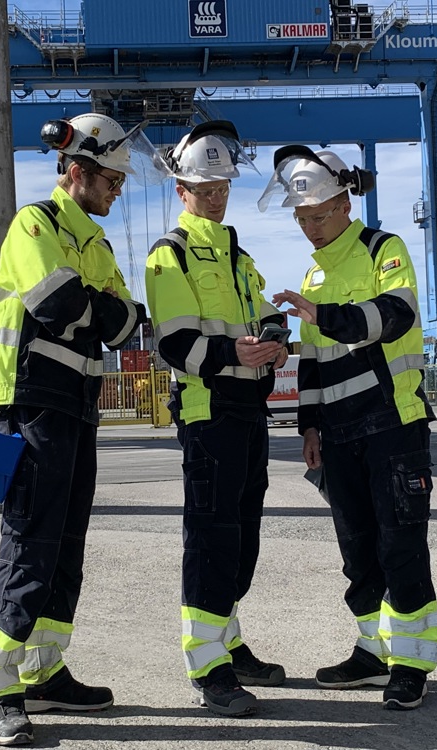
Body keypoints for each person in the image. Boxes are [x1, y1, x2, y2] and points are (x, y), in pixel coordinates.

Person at [0, 113, 159, 746]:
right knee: (30, 540)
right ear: (76, 171)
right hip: (31, 403)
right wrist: (101, 309)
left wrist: (102, 310)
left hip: (79, 406)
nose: (116, 190)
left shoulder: (98, 245)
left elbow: (124, 324)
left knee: (67, 544)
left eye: (119, 181)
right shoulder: (35, 225)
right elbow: (58, 306)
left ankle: (44, 672)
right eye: (110, 178)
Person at [259, 146, 437, 711]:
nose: (310, 227)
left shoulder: (383, 249)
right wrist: (308, 425)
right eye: (301, 218)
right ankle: (373, 651)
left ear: (344, 204)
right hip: (337, 434)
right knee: (358, 549)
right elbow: (311, 364)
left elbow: (398, 315)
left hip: (393, 423)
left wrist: (324, 315)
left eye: (318, 215)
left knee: (401, 544)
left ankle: (410, 663)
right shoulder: (313, 274)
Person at [144, 121, 288, 717]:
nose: (217, 196)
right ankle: (208, 669)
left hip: (249, 409)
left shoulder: (239, 255)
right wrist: (235, 353)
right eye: (205, 188)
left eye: (223, 185)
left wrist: (276, 336)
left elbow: (258, 316)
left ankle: (227, 641)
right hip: (207, 412)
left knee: (241, 536)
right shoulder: (168, 255)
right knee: (211, 538)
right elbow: (175, 343)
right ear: (181, 189)